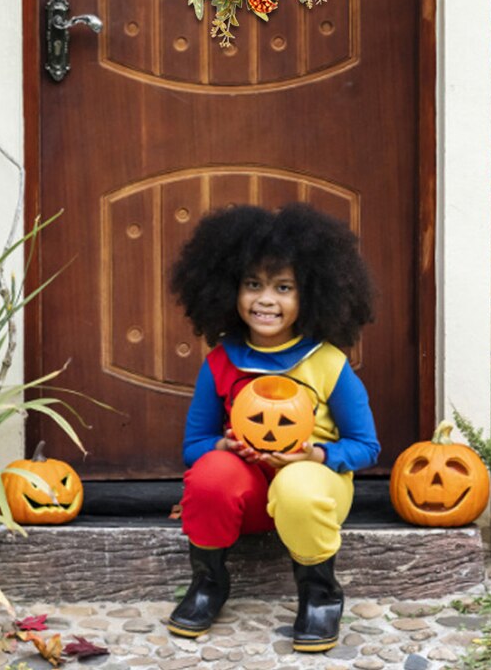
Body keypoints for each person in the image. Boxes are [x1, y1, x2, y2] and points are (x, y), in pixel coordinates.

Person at [166, 202, 380, 653]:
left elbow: (366, 446)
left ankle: (320, 595)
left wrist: (317, 455)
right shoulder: (221, 361)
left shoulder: (327, 363)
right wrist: (223, 445)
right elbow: (193, 446)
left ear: (310, 295)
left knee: (300, 485)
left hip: (310, 495)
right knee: (208, 473)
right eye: (253, 285)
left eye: (284, 287)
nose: (266, 299)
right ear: (230, 290)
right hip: (249, 499)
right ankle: (208, 583)